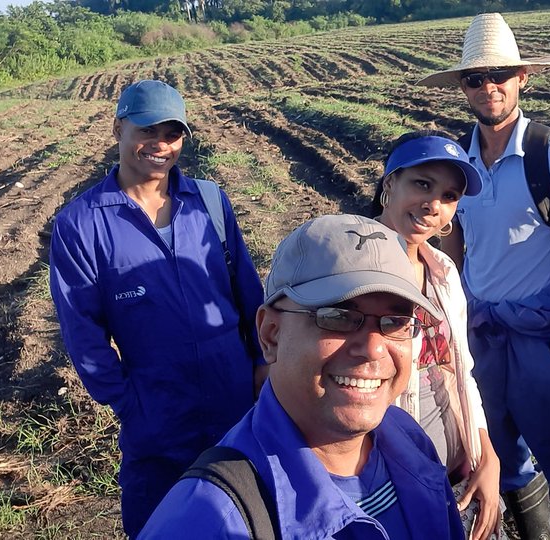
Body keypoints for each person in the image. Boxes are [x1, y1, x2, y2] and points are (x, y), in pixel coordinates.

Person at [417, 13, 550, 540]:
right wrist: (459, 307)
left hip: (542, 332)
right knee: (499, 445)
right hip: (484, 332)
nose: (489, 87)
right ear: (462, 88)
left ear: (522, 79)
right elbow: (455, 236)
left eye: (500, 76)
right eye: (475, 78)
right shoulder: (458, 162)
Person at [140, 214, 465, 539]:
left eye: (395, 321)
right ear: (271, 335)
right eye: (337, 316)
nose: (374, 349)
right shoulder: (210, 521)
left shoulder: (408, 437)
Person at [49, 79, 267, 537]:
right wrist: (128, 402)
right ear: (118, 130)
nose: (160, 144)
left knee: (247, 511)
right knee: (158, 522)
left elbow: (248, 290)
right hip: (156, 407)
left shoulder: (209, 201)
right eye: (147, 130)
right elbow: (82, 331)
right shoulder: (82, 223)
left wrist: (264, 363)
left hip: (235, 394)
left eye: (172, 133)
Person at [368, 130, 503, 540]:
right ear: (390, 183)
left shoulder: (442, 269)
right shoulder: (350, 269)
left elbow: (461, 366)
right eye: (422, 185)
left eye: (449, 196)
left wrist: (487, 454)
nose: (434, 205)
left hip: (457, 471)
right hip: (384, 479)